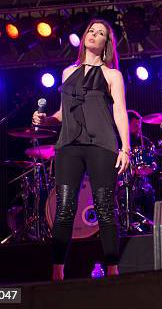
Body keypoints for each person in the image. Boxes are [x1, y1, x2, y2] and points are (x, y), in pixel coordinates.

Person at [32, 19, 130, 281]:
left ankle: (112, 269)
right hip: (69, 145)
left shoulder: (112, 75)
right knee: (64, 207)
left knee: (105, 207)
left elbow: (119, 112)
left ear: (106, 44)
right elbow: (64, 113)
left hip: (102, 144)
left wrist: (126, 148)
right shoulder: (67, 73)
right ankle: (57, 271)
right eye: (91, 31)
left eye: (100, 34)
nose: (94, 35)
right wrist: (47, 120)